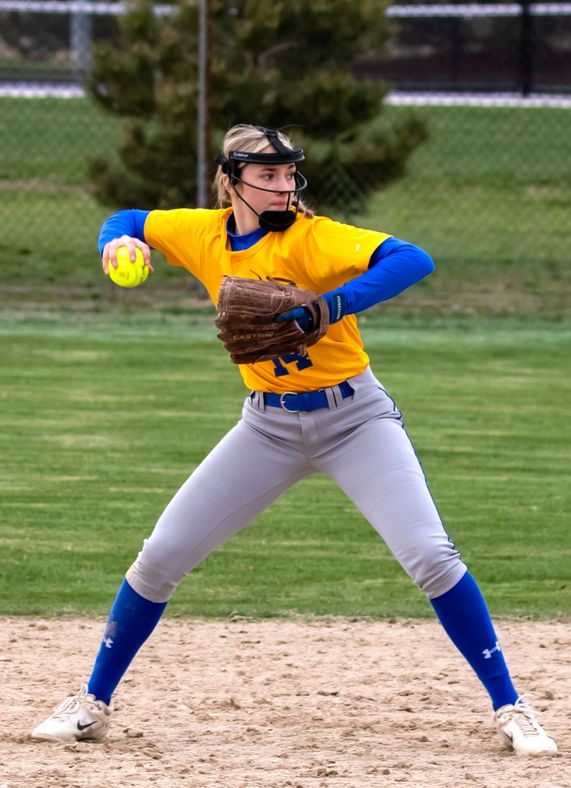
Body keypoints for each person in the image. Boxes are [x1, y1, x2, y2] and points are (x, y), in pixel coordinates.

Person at [32, 124, 557, 756]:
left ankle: (512, 706)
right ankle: (92, 701)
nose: (284, 187)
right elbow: (127, 216)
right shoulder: (201, 233)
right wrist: (116, 242)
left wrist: (325, 308)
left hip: (356, 420)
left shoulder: (314, 236)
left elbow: (412, 259)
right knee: (162, 554)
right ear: (232, 182)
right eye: (269, 176)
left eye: (289, 176)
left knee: (430, 555)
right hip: (267, 427)